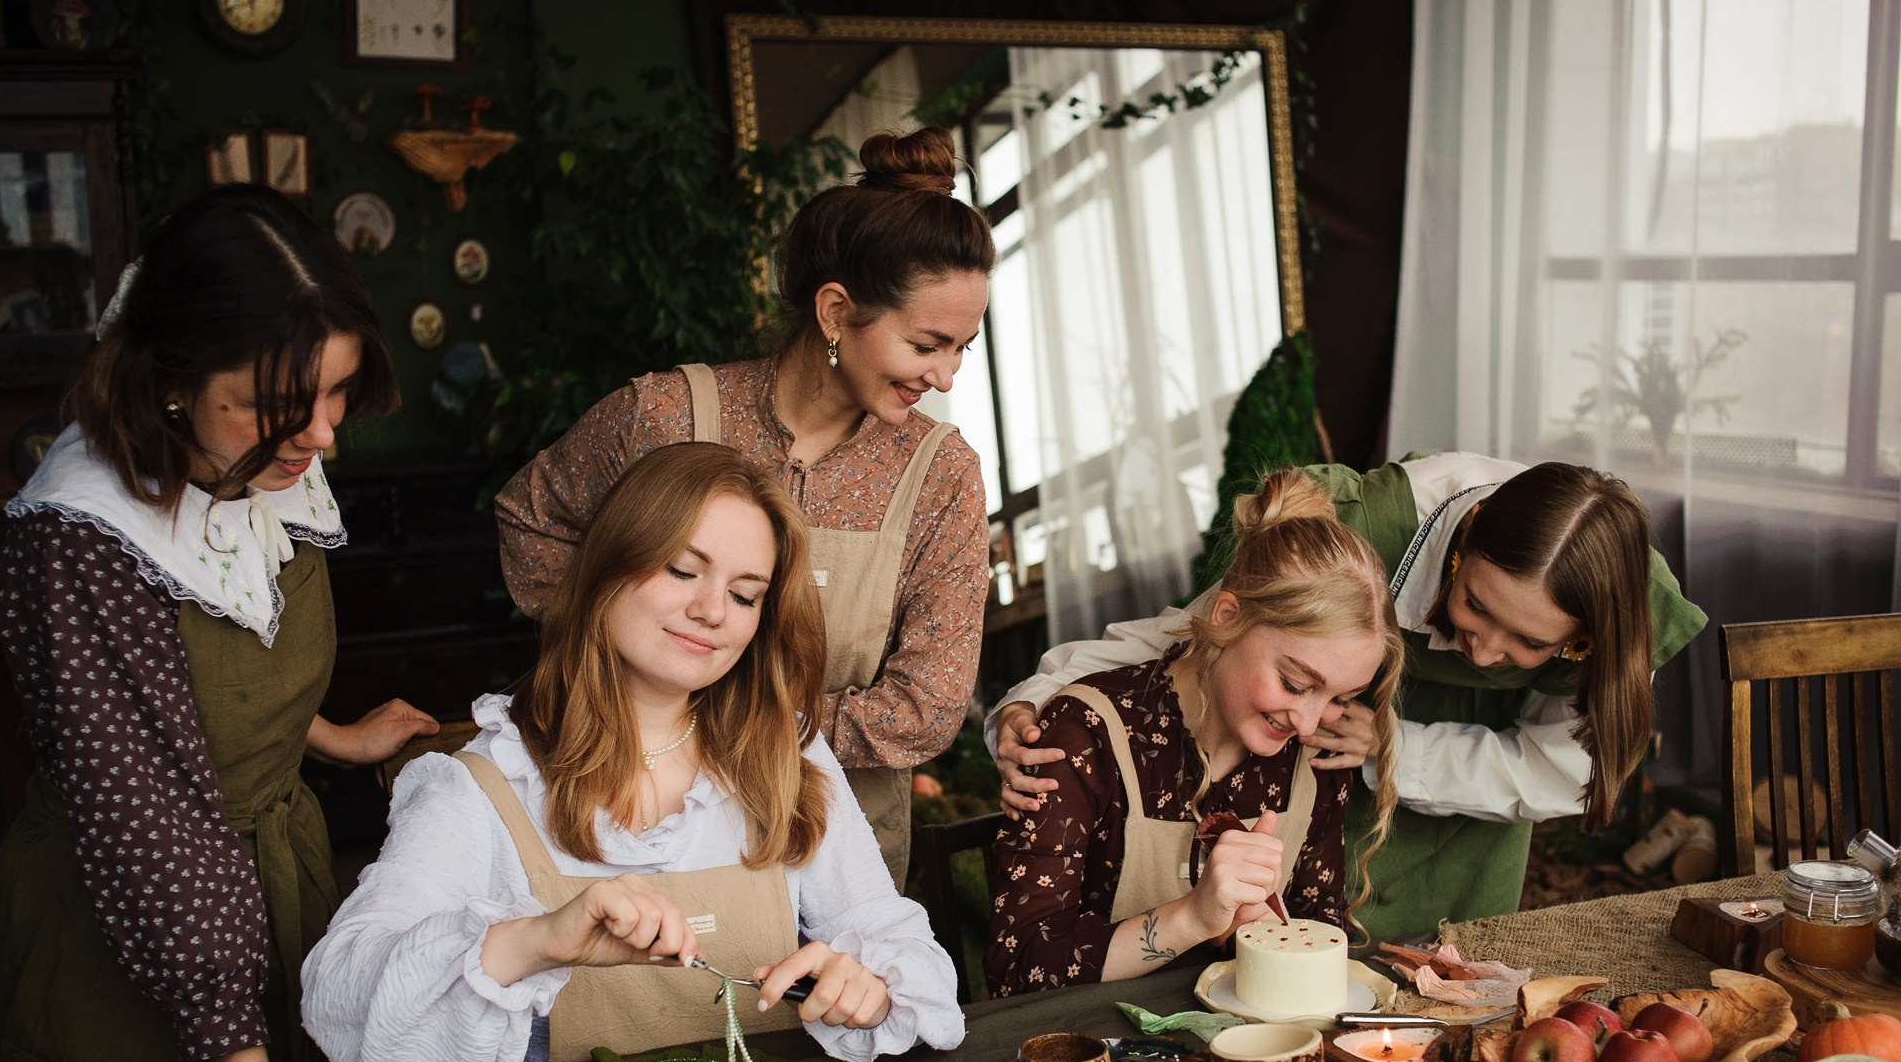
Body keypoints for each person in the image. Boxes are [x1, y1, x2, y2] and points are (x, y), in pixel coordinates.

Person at [0, 183, 440, 1062]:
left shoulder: (264, 450)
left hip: (273, 877)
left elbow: (234, 662)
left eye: (334, 392)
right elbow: (151, 816)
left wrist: (322, 737)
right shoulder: (82, 540)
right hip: (131, 922)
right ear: (170, 381)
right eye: (281, 404)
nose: (323, 431)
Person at [304, 443, 964, 1062]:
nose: (713, 610)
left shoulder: (789, 755)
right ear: (608, 566)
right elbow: (344, 1000)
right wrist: (536, 940)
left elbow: (905, 951)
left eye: (744, 594)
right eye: (683, 570)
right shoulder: (484, 784)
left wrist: (872, 990)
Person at [495, 126, 996, 888]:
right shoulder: (665, 414)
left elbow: (927, 706)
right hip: (634, 815)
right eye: (929, 344)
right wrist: (617, 654)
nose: (947, 375)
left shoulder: (942, 477)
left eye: (964, 346)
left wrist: (734, 715)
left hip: (835, 841)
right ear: (835, 311)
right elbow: (529, 518)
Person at [991, 453, 1709, 943]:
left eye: (1529, 645)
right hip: (1331, 798)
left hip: (1479, 816)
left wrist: (1397, 747)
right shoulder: (1358, 528)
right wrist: (1035, 699)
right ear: (1463, 543)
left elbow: (1568, 765)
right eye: (1474, 607)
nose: (1485, 652)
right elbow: (1184, 635)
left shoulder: (1624, 601)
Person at [985, 470, 1404, 997]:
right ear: (1227, 615)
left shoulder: (1315, 754)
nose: (1308, 722)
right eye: (1295, 683)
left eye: (1340, 698)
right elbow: (1017, 972)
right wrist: (1191, 919)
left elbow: (1316, 942)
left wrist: (1260, 929)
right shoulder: (1083, 736)